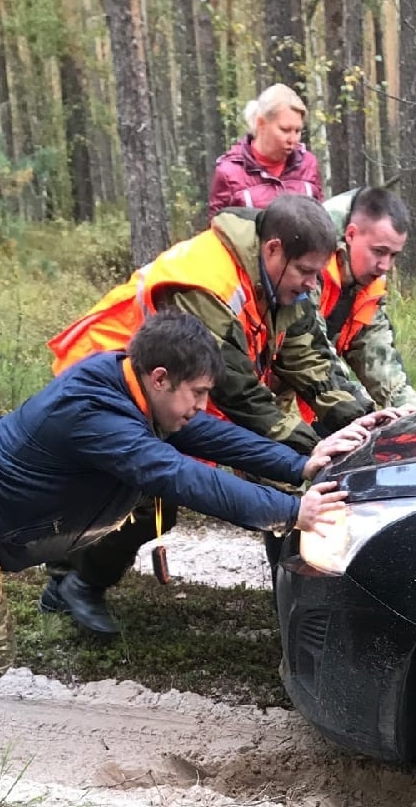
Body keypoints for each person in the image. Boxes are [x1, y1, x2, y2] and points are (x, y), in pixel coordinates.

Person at [0, 313, 358, 763]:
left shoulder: (127, 387)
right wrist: (290, 512)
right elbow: (178, 475)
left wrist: (298, 464)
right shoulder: (96, 413)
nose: (202, 407)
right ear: (158, 377)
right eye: (196, 394)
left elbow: (202, 438)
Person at [44, 195, 379, 636]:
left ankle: (71, 579)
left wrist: (368, 423)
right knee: (141, 498)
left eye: (318, 273)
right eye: (305, 272)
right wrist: (308, 449)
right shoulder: (208, 283)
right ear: (274, 249)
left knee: (159, 496)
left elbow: (311, 361)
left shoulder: (281, 277)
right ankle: (71, 584)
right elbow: (239, 393)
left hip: (162, 393)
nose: (313, 285)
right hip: (103, 383)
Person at [309, 186, 416, 416]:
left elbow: (373, 348)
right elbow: (312, 355)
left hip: (310, 405)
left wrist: (415, 410)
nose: (385, 266)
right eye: (379, 251)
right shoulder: (309, 266)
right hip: (261, 406)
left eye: (393, 255)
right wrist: (366, 413)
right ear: (351, 234)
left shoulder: (366, 282)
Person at [208, 84, 323, 220]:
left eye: (297, 131)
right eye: (285, 130)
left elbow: (322, 224)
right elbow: (216, 233)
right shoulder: (229, 173)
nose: (293, 139)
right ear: (261, 123)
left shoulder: (308, 165)